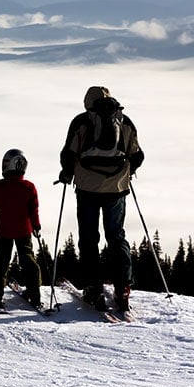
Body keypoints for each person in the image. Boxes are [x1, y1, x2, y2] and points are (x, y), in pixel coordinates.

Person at [58, 86, 144, 313]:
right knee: (116, 236)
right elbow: (137, 155)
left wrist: (67, 173)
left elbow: (68, 153)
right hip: (116, 188)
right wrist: (127, 171)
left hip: (87, 188)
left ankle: (93, 288)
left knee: (89, 238)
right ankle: (123, 287)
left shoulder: (82, 121)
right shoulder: (124, 121)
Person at [0, 149, 43, 308]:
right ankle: (35, 293)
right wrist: (36, 225)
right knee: (27, 259)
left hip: (3, 230)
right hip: (24, 230)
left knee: (1, 261)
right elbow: (34, 210)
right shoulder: (29, 187)